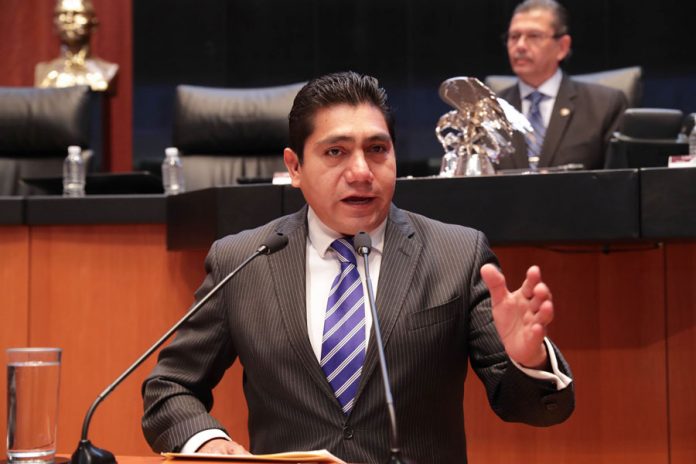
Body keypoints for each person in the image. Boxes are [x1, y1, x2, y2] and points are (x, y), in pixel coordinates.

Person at [142, 71, 574, 463]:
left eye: (377, 149)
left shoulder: (456, 254)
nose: (362, 171)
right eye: (336, 151)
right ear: (295, 167)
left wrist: (527, 361)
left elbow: (534, 409)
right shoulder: (244, 259)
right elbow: (170, 388)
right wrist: (208, 442)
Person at [496, 0, 627, 171]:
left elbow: (618, 180)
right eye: (514, 37)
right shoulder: (489, 109)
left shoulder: (605, 105)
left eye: (534, 36)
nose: (520, 46)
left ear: (563, 47)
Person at [35, 0, 118, 93]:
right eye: (63, 14)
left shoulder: (107, 71)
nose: (69, 20)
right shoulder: (44, 72)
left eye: (77, 13)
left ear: (94, 23)